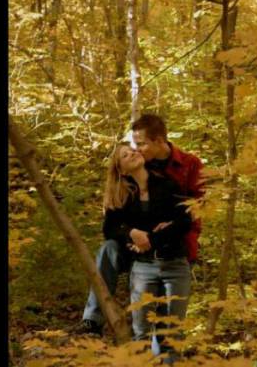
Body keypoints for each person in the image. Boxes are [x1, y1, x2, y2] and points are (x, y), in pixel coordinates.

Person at [74, 114, 204, 336]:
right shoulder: (137, 169)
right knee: (108, 249)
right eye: (133, 146)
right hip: (137, 246)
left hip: (173, 243)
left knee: (167, 321)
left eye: (141, 144)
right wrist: (131, 233)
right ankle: (93, 319)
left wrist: (168, 227)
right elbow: (113, 222)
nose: (136, 150)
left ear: (159, 141)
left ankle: (162, 347)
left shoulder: (187, 166)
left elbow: (198, 207)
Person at [103, 143, 192, 362]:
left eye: (132, 150)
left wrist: (151, 239)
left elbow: (185, 220)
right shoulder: (122, 195)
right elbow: (109, 229)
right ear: (122, 170)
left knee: (172, 334)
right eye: (125, 155)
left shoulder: (167, 183)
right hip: (143, 267)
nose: (132, 153)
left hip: (176, 265)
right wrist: (131, 233)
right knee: (141, 332)